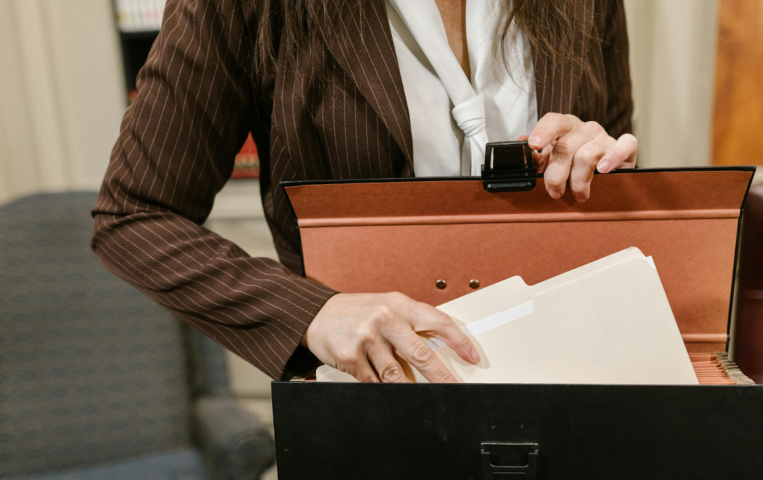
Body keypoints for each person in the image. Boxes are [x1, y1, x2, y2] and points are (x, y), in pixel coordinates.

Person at [92, 0, 636, 384]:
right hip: (371, 408)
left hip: (571, 382)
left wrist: (602, 168)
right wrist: (310, 313)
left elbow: (612, 186)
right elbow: (134, 214)